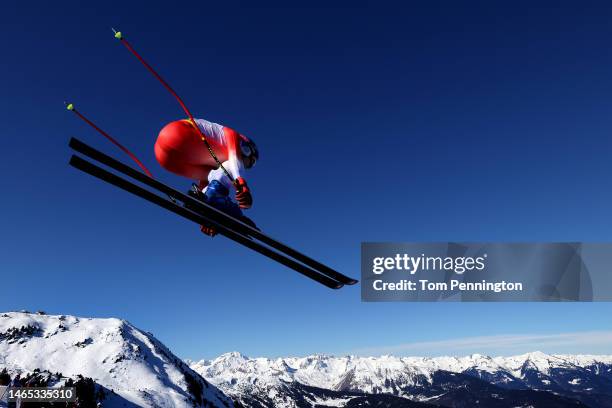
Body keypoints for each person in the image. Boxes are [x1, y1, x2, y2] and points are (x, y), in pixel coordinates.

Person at [154, 118, 258, 236]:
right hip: (179, 134)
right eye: (249, 158)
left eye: (250, 164)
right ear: (245, 146)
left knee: (210, 173)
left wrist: (205, 214)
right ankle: (216, 198)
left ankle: (211, 199)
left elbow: (206, 179)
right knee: (230, 160)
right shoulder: (232, 135)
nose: (246, 164)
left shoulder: (212, 161)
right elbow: (234, 158)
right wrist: (241, 183)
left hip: (165, 157)